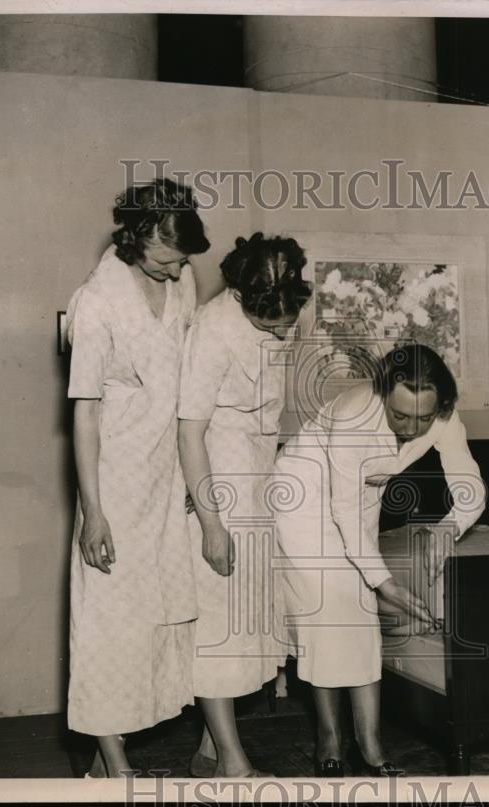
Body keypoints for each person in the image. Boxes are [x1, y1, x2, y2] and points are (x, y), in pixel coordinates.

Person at [273, 343, 486, 776]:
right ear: (383, 393)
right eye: (400, 415)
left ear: (440, 406)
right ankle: (330, 740)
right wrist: (386, 583)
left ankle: (370, 744)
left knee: (360, 618)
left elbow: (471, 486)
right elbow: (342, 513)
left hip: (359, 499)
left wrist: (449, 526)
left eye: (423, 418)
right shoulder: (354, 414)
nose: (411, 428)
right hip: (301, 499)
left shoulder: (444, 418)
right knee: (327, 612)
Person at [66, 178, 211, 778]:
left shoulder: (183, 282)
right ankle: (115, 766)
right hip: (114, 481)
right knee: (108, 624)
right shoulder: (97, 300)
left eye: (183, 261)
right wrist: (93, 512)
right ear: (139, 235)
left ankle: (105, 764)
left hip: (166, 474)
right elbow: (85, 410)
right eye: (167, 258)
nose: (178, 273)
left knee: (163, 617)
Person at [178, 233, 311, 778]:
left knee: (248, 621)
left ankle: (208, 753)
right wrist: (211, 524)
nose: (283, 331)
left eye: (287, 321)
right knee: (218, 623)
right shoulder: (211, 329)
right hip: (217, 479)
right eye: (270, 324)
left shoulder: (285, 311)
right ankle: (233, 763)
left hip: (257, 477)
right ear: (241, 296)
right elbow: (190, 433)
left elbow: (274, 407)